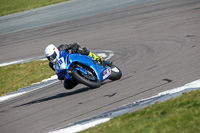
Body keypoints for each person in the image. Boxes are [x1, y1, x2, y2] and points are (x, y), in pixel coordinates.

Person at [44, 42, 108, 89]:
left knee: (83, 50)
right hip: (69, 71)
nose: (51, 59)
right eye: (49, 58)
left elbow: (73, 45)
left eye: (52, 56)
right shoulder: (51, 64)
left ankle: (97, 58)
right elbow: (58, 72)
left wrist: (74, 47)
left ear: (56, 51)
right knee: (67, 86)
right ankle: (80, 78)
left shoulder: (61, 48)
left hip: (74, 58)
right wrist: (60, 76)